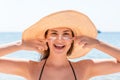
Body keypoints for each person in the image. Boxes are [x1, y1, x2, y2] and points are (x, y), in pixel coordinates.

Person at [0, 10, 120, 80]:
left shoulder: (84, 68)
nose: (60, 39)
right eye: (54, 33)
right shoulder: (31, 68)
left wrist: (97, 44)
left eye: (66, 34)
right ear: (46, 39)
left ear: (72, 40)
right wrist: (19, 45)